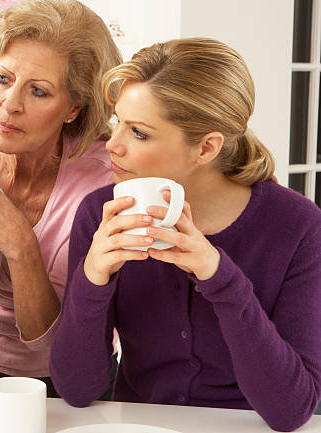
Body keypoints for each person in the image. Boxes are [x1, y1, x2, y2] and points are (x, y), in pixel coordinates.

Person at [50, 37, 321, 432]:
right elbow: (77, 389)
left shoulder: (298, 227)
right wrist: (93, 279)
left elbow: (290, 410)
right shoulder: (101, 214)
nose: (113, 144)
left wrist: (219, 276)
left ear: (207, 147)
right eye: (117, 122)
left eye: (139, 133)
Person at [0, 0, 122, 396]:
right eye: (3, 79)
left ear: (74, 106)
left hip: (68, 378)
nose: (10, 104)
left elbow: (55, 345)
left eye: (38, 91)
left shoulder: (104, 183)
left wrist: (21, 244)